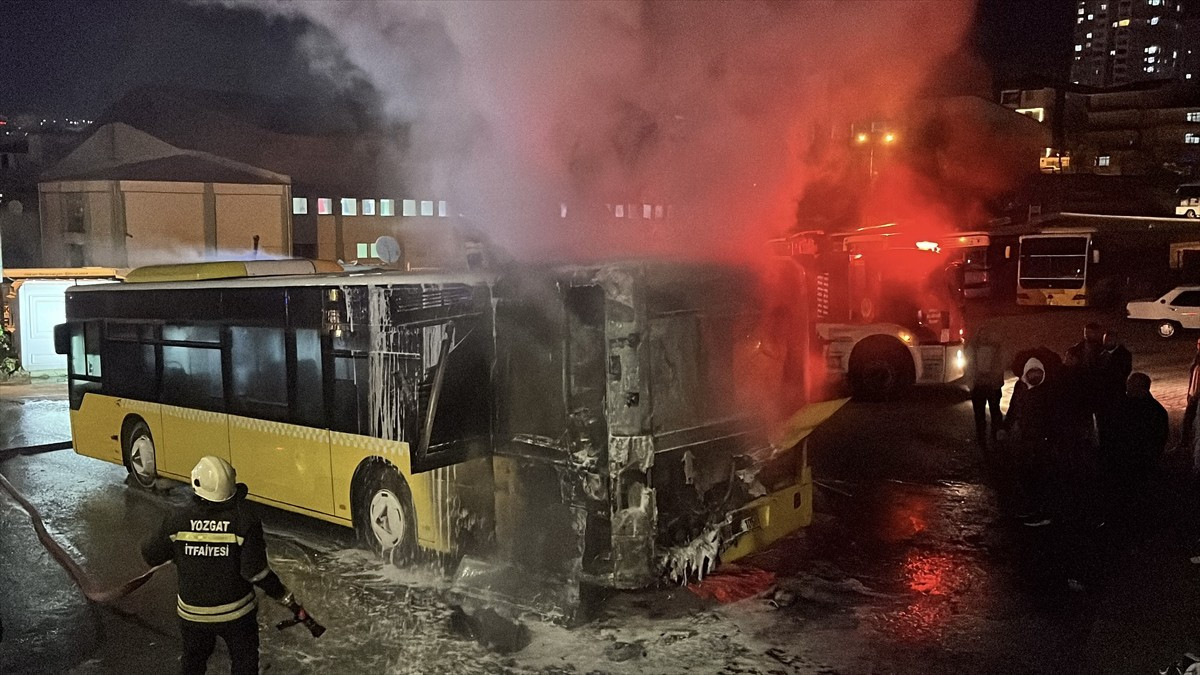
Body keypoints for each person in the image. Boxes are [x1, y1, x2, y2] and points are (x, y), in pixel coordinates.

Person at [142, 456, 311, 675]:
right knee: (244, 661)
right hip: (237, 615)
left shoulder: (176, 519)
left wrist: (179, 552)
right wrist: (286, 598)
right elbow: (256, 573)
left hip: (193, 615)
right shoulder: (245, 520)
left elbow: (150, 554)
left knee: (193, 662)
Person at [1005, 357, 1059, 526]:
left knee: (1040, 476)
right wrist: (1004, 427)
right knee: (1025, 474)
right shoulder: (1021, 387)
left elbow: (1053, 418)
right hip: (1025, 438)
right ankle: (1032, 508)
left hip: (1041, 441)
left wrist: (1049, 438)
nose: (1035, 376)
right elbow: (1013, 408)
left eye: (1038, 372)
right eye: (1032, 372)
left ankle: (1044, 512)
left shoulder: (1046, 391)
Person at [965, 322, 1005, 446]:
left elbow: (1000, 364)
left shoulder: (992, 347)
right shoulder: (976, 347)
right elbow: (969, 366)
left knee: (989, 412)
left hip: (989, 385)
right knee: (986, 413)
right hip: (983, 386)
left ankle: (988, 437)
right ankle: (988, 438)